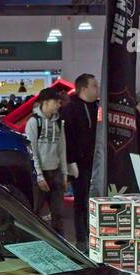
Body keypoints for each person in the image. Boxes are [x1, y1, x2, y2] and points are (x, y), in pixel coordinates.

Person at [60, 73, 98, 248]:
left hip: (94, 161)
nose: (97, 89)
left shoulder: (95, 107)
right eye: (94, 86)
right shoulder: (71, 109)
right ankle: (82, 237)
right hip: (79, 162)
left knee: (92, 198)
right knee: (81, 199)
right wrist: (71, 161)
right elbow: (67, 137)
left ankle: (94, 233)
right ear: (84, 88)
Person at [26, 88, 67, 237]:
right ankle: (34, 242)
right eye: (55, 102)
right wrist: (39, 176)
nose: (58, 105)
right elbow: (32, 151)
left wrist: (64, 173)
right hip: (41, 173)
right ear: (45, 102)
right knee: (35, 212)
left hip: (55, 172)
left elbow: (62, 148)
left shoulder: (58, 123)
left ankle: (62, 246)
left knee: (58, 214)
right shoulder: (33, 122)